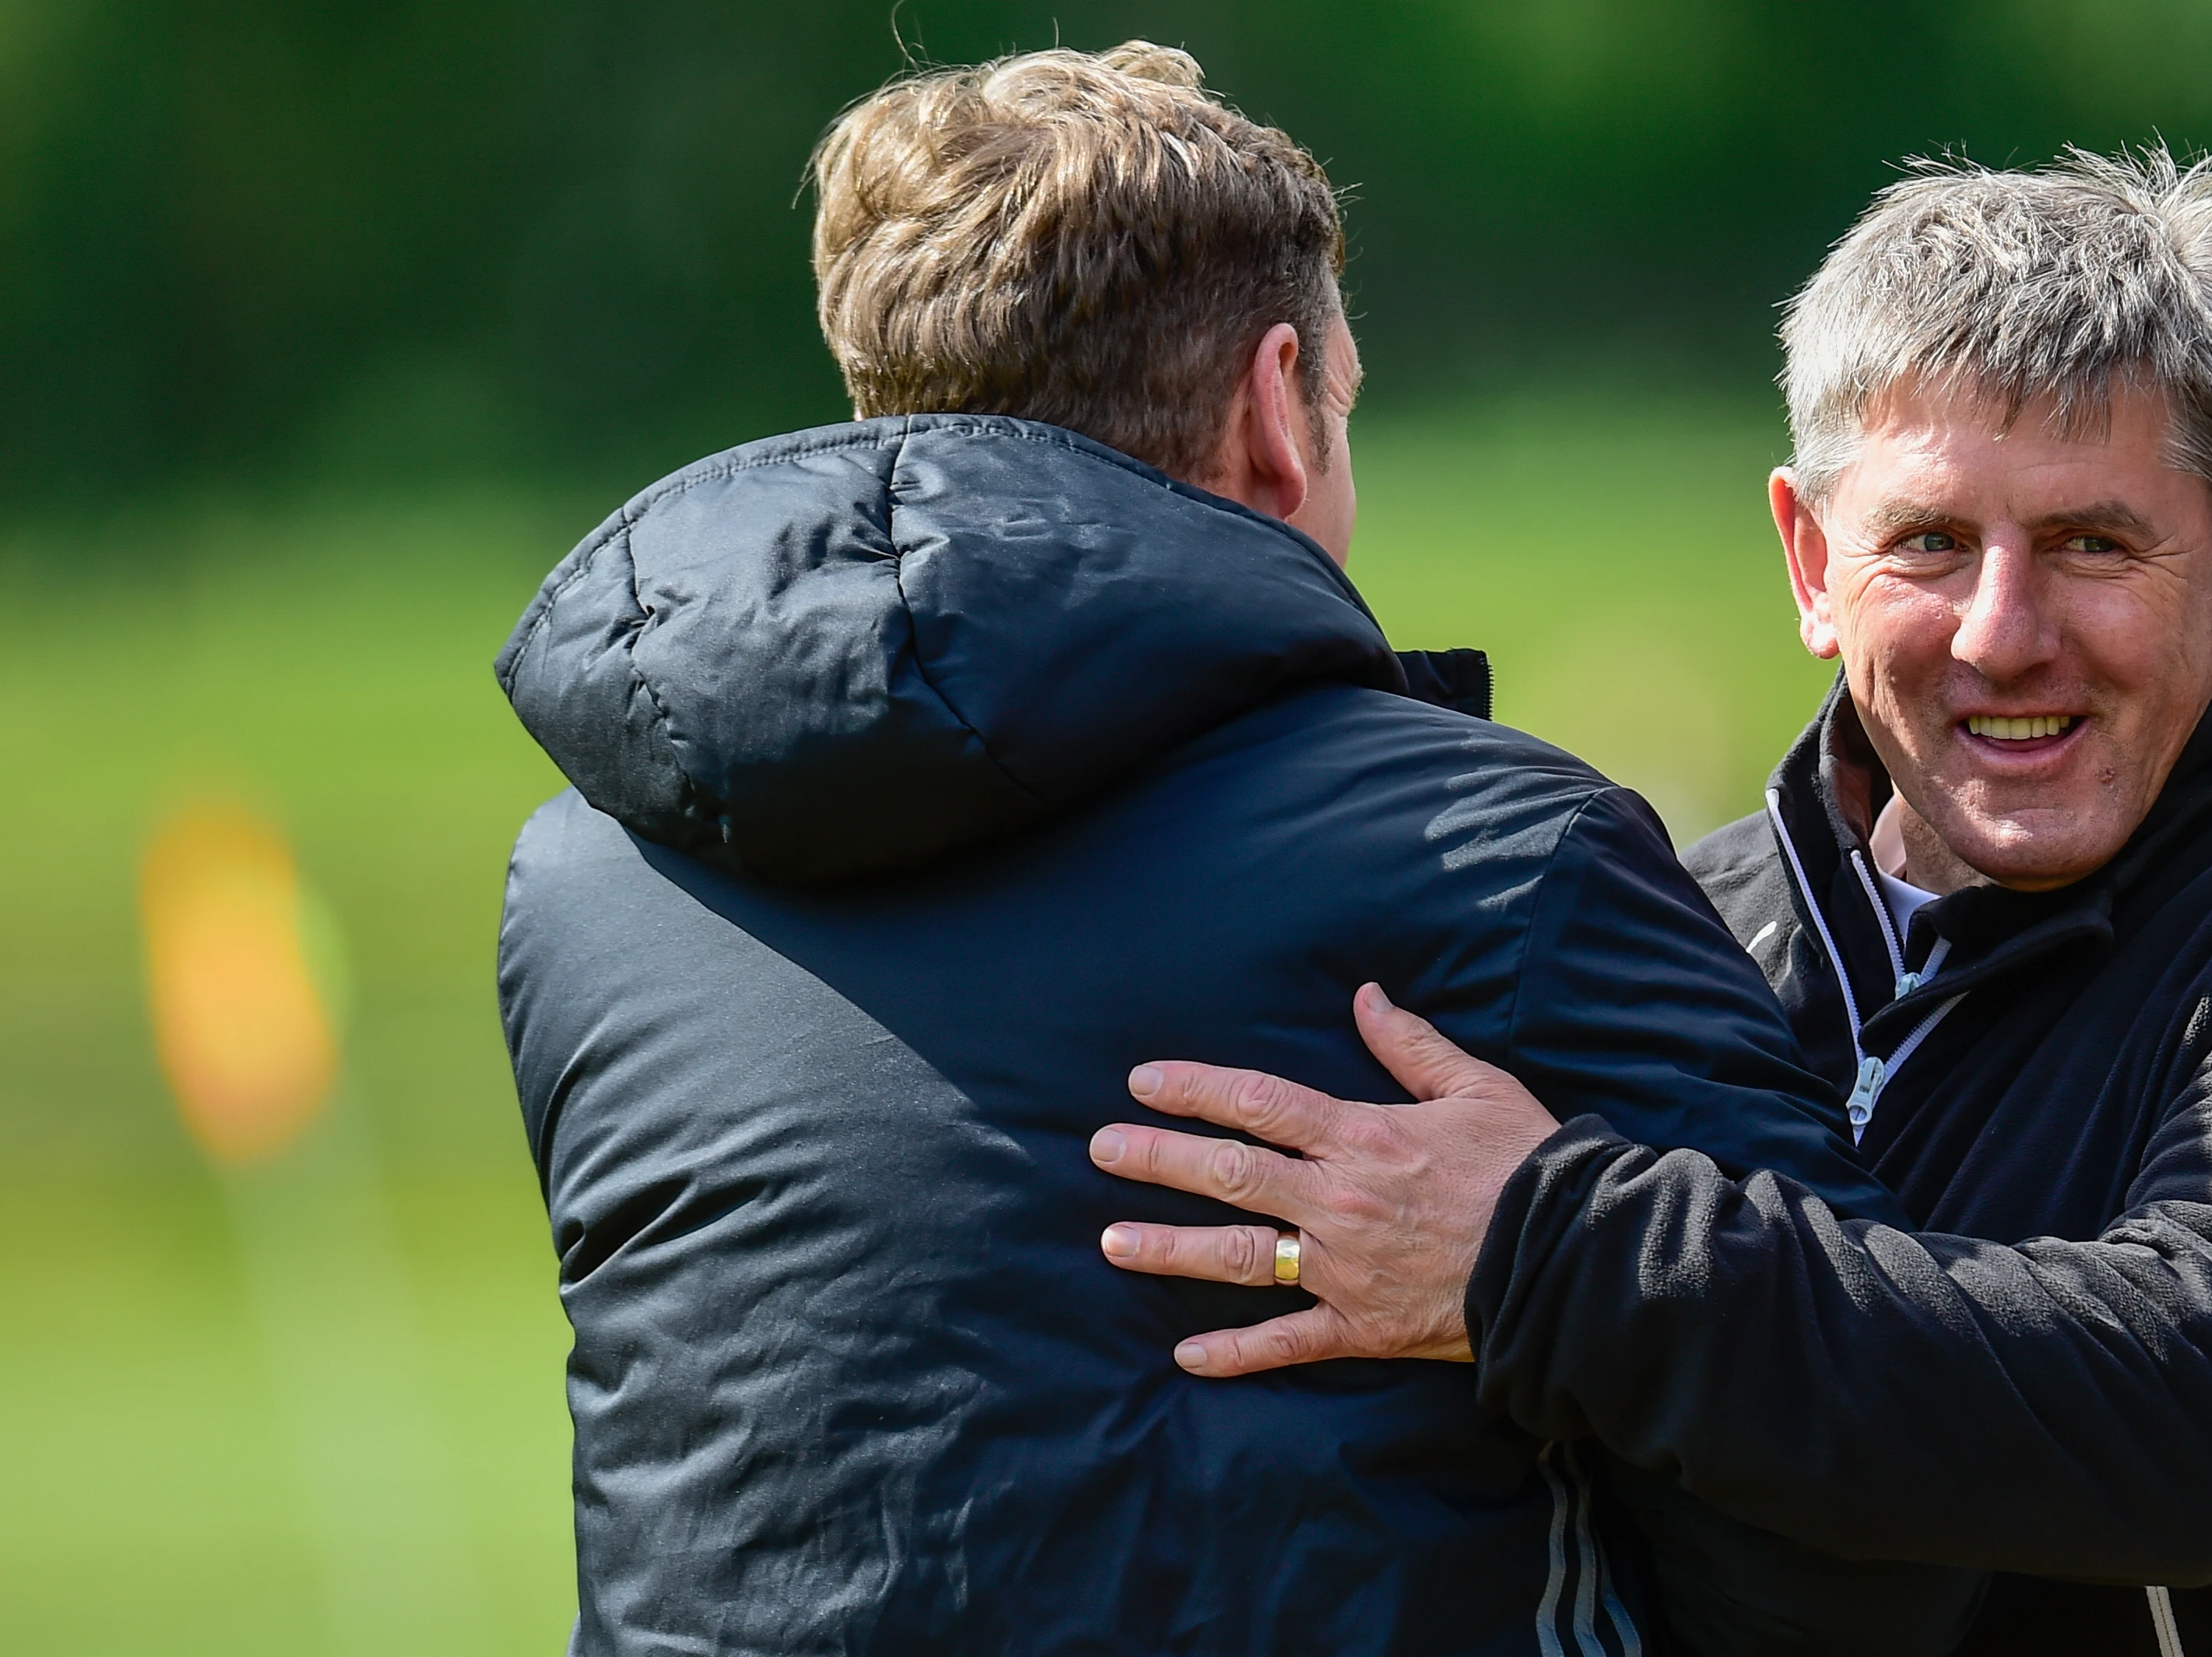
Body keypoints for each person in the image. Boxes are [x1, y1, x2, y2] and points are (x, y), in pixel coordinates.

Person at [493, 41, 1976, 1657]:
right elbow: (1866, 1537)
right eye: (1345, 401)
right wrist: (1563, 1259)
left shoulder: (584, 885)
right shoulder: (1495, 856)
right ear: (1279, 408)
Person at [1088, 151, 2212, 1655]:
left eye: (2091, 543)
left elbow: (2197, 1421)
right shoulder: (1675, 922)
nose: (2002, 635)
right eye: (1931, 543)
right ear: (1811, 562)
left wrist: (1540, 1254)